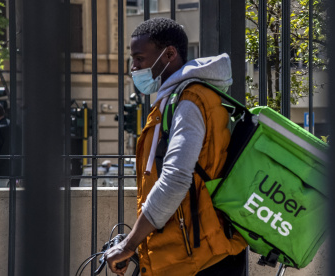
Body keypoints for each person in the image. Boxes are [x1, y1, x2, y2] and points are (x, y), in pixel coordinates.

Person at [105, 18, 247, 276]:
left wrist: (130, 243)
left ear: (169, 54)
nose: (134, 67)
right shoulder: (183, 99)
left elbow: (176, 178)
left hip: (200, 257)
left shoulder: (189, 101)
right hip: (198, 248)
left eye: (139, 58)